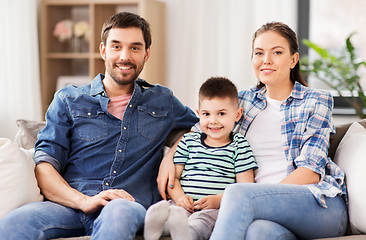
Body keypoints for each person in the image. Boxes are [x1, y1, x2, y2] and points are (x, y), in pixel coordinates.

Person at [0, 12, 198, 240]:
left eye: (135, 48)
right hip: (69, 207)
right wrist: (84, 201)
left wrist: (171, 156)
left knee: (120, 212)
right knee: (14, 224)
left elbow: (204, 128)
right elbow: (44, 166)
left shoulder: (162, 101)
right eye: (116, 46)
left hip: (126, 205)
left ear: (147, 54)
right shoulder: (68, 99)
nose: (125, 56)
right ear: (103, 50)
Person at [158, 22, 348, 240]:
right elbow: (198, 132)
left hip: (318, 204)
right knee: (258, 233)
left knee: (237, 194)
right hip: (262, 212)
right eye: (259, 53)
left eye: (277, 52)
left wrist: (259, 196)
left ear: (293, 60)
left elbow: (311, 171)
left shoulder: (316, 101)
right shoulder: (244, 100)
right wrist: (169, 158)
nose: (266, 60)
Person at [144, 77, 257, 240]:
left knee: (201, 222)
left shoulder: (240, 146)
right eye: (206, 114)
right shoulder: (188, 141)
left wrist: (218, 200)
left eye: (222, 114)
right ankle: (157, 228)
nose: (213, 121)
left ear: (237, 114)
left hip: (212, 210)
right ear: (198, 114)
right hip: (181, 204)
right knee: (172, 212)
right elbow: (173, 178)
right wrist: (180, 198)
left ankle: (185, 234)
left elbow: (245, 188)